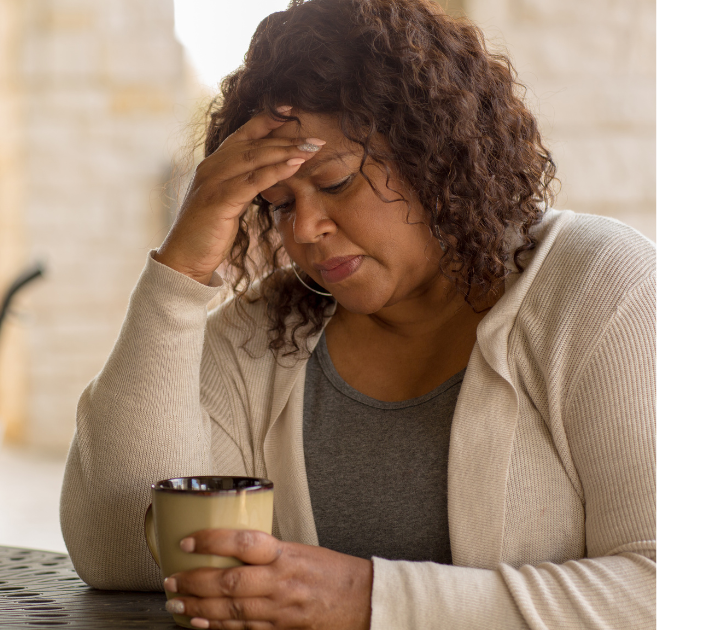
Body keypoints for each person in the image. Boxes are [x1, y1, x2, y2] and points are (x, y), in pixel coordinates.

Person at [60, 0, 657, 628]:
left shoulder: (598, 291)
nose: (307, 230)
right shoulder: (267, 332)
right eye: (279, 203)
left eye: (337, 182)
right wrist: (180, 271)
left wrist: (367, 600)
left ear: (434, 153)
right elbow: (121, 553)